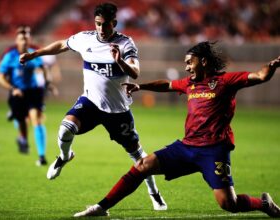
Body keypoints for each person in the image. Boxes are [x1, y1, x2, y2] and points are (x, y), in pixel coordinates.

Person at [73, 41, 280, 217]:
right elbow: (167, 85)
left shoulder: (225, 81)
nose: (187, 67)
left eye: (190, 62)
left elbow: (260, 76)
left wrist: (271, 66)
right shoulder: (189, 84)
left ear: (204, 61)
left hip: (214, 150)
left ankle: (263, 204)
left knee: (229, 204)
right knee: (143, 165)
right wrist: (142, 87)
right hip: (187, 147)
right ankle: (102, 207)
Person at [20, 2, 167, 210]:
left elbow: (135, 72)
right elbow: (62, 45)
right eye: (98, 24)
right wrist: (35, 55)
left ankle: (154, 193)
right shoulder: (84, 38)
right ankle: (64, 157)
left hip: (118, 111)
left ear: (114, 23)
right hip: (90, 102)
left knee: (138, 156)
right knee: (65, 128)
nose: (101, 29)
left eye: (105, 25)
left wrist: (120, 62)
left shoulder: (125, 44)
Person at [0, 27, 55, 166]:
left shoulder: (33, 54)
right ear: (16, 40)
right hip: (17, 92)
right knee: (22, 122)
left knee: (37, 120)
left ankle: (42, 156)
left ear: (30, 40)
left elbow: (44, 68)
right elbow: (0, 77)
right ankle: (23, 138)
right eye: (21, 38)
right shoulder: (10, 56)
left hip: (33, 92)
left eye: (27, 37)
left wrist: (48, 83)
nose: (24, 40)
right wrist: (12, 88)